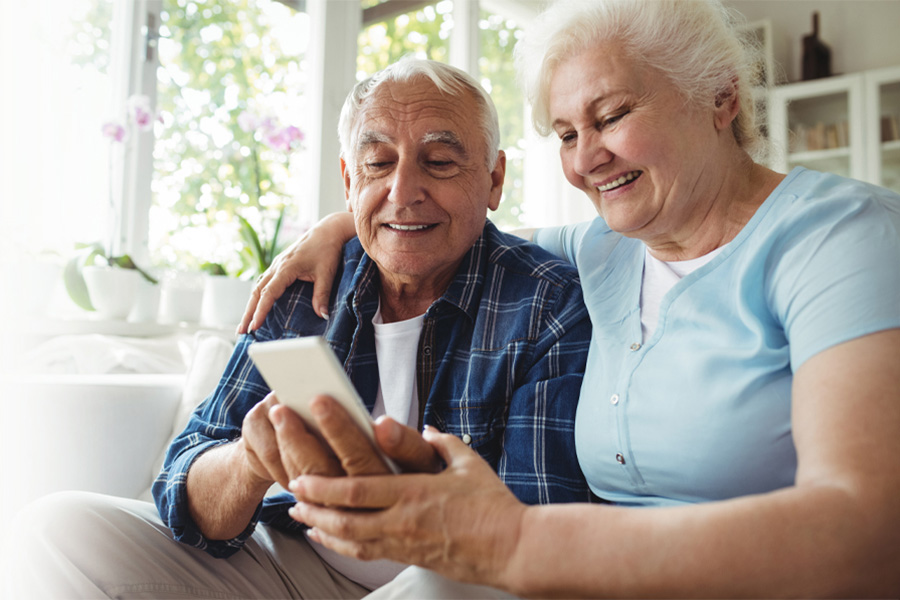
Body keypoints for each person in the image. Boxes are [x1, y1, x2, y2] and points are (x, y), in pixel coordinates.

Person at [239, 0, 900, 596]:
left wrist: (515, 542)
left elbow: (868, 532)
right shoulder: (604, 249)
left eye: (610, 117)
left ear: (722, 97)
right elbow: (453, 228)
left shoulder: (841, 238)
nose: (587, 159)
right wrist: (343, 226)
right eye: (564, 134)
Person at [3, 59, 594, 599]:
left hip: (448, 576)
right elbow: (179, 489)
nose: (403, 191)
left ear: (493, 180)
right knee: (52, 529)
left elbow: (537, 527)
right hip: (289, 557)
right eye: (378, 163)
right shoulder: (309, 284)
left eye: (439, 162)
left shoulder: (546, 302)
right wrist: (251, 462)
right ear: (348, 180)